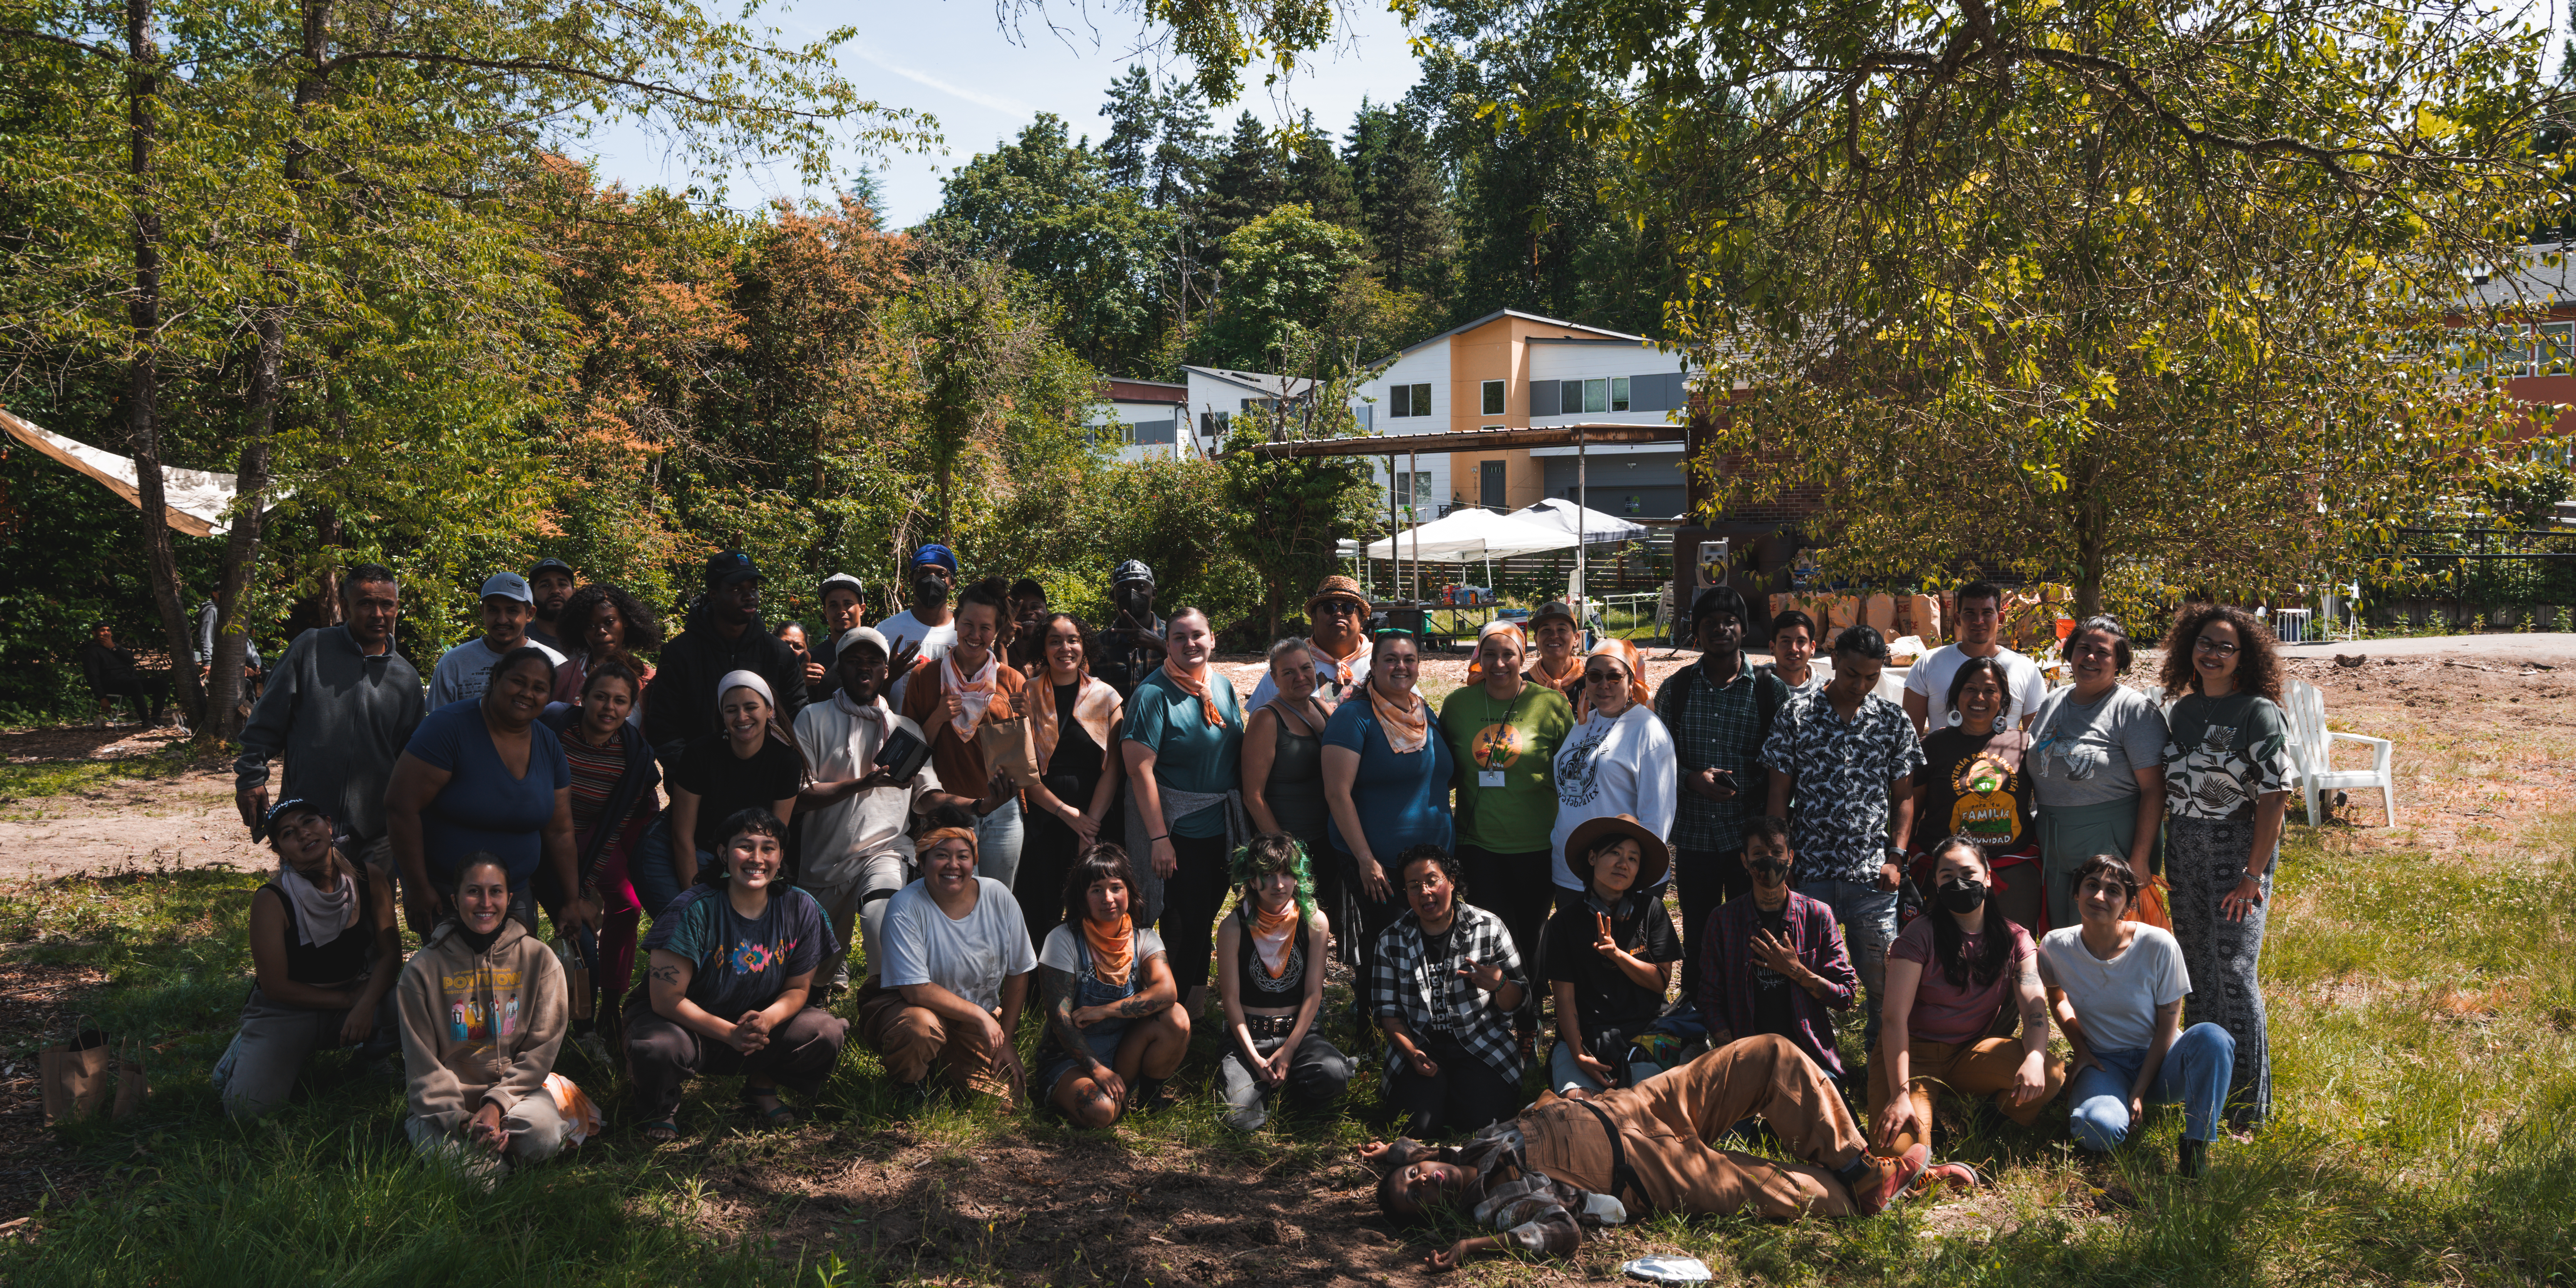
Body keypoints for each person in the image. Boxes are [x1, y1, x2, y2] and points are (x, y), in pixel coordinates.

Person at [1363, 1035, 1934, 1268]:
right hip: (1646, 1172)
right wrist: (1475, 1246)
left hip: (1636, 1105)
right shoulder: (1496, 1204)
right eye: (1417, 1197)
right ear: (1436, 1215)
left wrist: (1392, 1152)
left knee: (1768, 1054)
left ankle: (1863, 1169)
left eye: (1413, 1175)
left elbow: (1422, 1150)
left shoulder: (1472, 1147)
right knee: (1789, 1192)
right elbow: (1561, 1233)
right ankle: (1872, 1188)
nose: (1421, 1180)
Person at [625, 808, 849, 1137]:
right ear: (723, 853)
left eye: (769, 848)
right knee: (657, 1048)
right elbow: (665, 1000)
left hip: (756, 1026)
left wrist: (767, 1020)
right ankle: (661, 1106)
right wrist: (729, 1033)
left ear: (781, 856)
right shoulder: (691, 910)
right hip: (687, 1026)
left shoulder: (801, 908)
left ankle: (762, 1086)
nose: (757, 858)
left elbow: (799, 989)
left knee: (825, 1032)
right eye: (745, 846)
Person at [2155, 603, 2293, 1129]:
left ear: (2244, 657)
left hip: (2237, 855)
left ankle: (2246, 1108)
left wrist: (2252, 875)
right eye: (2205, 644)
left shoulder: (2258, 712)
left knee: (2235, 972)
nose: (2212, 654)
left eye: (2225, 647)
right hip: (2186, 849)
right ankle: (2202, 1091)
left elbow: (2275, 798)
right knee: (2197, 973)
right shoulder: (2183, 712)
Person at [795, 627, 990, 994]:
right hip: (825, 863)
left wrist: (981, 804)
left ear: (887, 671)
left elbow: (929, 798)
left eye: (873, 662)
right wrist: (863, 783)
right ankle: (817, 1000)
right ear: (840, 668)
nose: (864, 669)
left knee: (880, 918)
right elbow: (800, 797)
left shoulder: (907, 730)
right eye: (854, 661)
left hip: (884, 851)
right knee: (812, 976)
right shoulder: (812, 719)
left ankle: (890, 1009)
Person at [1759, 624, 1922, 1053]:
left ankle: (1882, 1059)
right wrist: (1780, 863)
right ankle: (1816, 1059)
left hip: (1873, 876)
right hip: (1810, 872)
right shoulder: (1795, 715)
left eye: (1871, 677)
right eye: (1852, 674)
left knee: (1883, 978)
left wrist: (1897, 857)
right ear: (1832, 660)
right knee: (1805, 974)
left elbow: (1903, 798)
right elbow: (1778, 794)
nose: (1861, 685)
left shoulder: (1891, 720)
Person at [1869, 835, 2065, 1161]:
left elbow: (2034, 1006)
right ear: (1936, 883)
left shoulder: (2016, 938)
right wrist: (1899, 1094)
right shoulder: (1919, 934)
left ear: (1988, 877)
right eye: (1947, 876)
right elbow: (1893, 1020)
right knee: (1899, 1155)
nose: (1959, 883)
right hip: (1911, 1054)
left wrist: (2034, 1058)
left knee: (2051, 1072)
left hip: (1970, 1052)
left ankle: (1985, 1118)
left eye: (1969, 874)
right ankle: (1928, 1120)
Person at [2041, 855, 2236, 1177]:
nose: (2100, 897)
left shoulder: (2158, 945)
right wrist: (2082, 1051)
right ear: (2076, 893)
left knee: (2213, 1039)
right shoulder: (2056, 946)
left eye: (2113, 891)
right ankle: (2105, 1101)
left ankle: (2195, 1145)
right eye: (2091, 886)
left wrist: (2140, 1091)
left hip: (2163, 1063)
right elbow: (2056, 995)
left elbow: (2167, 1025)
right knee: (2096, 1130)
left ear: (2128, 905)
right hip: (2105, 1063)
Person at [392, 853, 578, 1178]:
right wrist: (462, 1121)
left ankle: (503, 1145)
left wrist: (495, 1106)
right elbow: (422, 1067)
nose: (485, 903)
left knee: (542, 1140)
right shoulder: (422, 970)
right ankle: (485, 1157)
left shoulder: (539, 960)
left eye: (496, 892)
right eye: (473, 891)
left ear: (510, 898)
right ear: (455, 899)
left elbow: (540, 1049)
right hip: (443, 1106)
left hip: (518, 1095)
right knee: (477, 1180)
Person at [385, 646, 590, 941]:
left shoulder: (548, 744)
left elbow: (560, 830)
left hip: (515, 892)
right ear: (496, 679)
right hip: (448, 892)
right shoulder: (448, 728)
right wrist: (417, 887)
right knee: (455, 982)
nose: (527, 693)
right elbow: (400, 808)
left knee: (512, 981)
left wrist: (571, 900)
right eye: (518, 681)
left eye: (539, 688)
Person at [215, 798, 402, 1118]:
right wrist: (350, 1002)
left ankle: (370, 1058)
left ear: (329, 826)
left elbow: (391, 955)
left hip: (353, 1000)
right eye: (288, 833)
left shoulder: (368, 877)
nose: (302, 834)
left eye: (308, 822)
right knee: (247, 1112)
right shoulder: (272, 900)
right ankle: (244, 1050)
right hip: (287, 1012)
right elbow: (276, 987)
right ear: (280, 852)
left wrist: (366, 1004)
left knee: (417, 998)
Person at [236, 566, 423, 880]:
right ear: (347, 605)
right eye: (365, 603)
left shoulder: (406, 678)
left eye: (387, 604)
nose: (378, 614)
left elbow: (412, 761)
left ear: (397, 607)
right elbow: (267, 720)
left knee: (374, 921)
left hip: (376, 833)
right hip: (307, 825)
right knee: (309, 917)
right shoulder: (310, 649)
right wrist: (250, 777)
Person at [1656, 586, 1791, 1000]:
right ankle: (1697, 1005)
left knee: (1753, 927)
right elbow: (1657, 760)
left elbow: (1784, 766)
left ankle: (1752, 1005)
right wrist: (1692, 779)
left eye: (1729, 621)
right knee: (1697, 928)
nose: (1720, 628)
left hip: (1747, 839)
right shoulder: (1676, 689)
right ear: (1697, 632)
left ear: (1743, 628)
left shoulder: (1769, 690)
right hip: (1695, 836)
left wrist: (1774, 836)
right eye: (1709, 622)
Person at [853, 824, 1038, 1110]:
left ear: (975, 861)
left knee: (1005, 1106)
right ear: (922, 861)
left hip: (971, 1020)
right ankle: (909, 1085)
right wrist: (981, 1016)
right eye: (941, 855)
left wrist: (1008, 1040)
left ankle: (943, 1071)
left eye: (963, 856)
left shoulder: (998, 896)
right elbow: (915, 990)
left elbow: (1018, 972)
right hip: (908, 1007)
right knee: (921, 1028)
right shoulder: (905, 906)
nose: (953, 865)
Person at [1120, 606, 1246, 1015]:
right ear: (1167, 644)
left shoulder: (1222, 686)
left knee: (1204, 919)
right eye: (1179, 637)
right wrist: (1159, 837)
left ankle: (1192, 1005)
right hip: (1177, 829)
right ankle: (1167, 1013)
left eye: (1197, 635)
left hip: (1220, 825)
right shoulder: (1152, 695)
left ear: (1213, 639)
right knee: (1183, 922)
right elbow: (1140, 771)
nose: (1190, 644)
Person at [1440, 620, 1574, 994]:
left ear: (1523, 657)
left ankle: (1527, 1014)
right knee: (1494, 934)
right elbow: (1443, 769)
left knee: (1530, 932)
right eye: (1490, 654)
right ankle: (1502, 1012)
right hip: (1478, 842)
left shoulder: (1550, 704)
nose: (1498, 663)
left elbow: (1571, 773)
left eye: (1508, 654)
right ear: (1478, 658)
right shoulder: (1457, 704)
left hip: (1538, 842)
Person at [1323, 629, 1456, 978]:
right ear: (1375, 665)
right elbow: (1337, 793)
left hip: (1431, 861)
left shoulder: (1424, 713)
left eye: (1409, 659)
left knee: (1427, 949)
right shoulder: (1354, 718)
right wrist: (1366, 860)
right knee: (1387, 949)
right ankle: (1374, 1027)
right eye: (1391, 659)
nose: (1401, 666)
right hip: (1379, 866)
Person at [537, 660, 660, 1030]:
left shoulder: (634, 753)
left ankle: (607, 1004)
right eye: (601, 697)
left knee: (625, 904)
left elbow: (617, 824)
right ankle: (549, 1015)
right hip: (536, 835)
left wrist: (584, 886)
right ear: (583, 697)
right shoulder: (554, 727)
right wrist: (572, 898)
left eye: (621, 701)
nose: (609, 708)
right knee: (571, 926)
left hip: (589, 839)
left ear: (631, 708)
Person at [1371, 845, 1527, 1136]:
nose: (1425, 893)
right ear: (1405, 893)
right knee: (1415, 1126)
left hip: (1482, 1045)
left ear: (1452, 881)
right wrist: (1412, 1052)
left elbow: (1519, 1001)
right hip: (1421, 1045)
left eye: (1433, 881)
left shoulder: (1489, 928)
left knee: (1480, 1122)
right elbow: (1387, 1013)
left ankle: (1462, 1091)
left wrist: (1500, 984)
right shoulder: (1391, 940)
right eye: (1414, 886)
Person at [2027, 616, 2167, 931]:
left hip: (2110, 841)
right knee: (2061, 940)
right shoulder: (2053, 701)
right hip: (2053, 841)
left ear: (2119, 662)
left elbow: (2155, 790)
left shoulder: (2133, 710)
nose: (2091, 657)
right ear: (2070, 653)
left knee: (2107, 941)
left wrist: (2140, 860)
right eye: (2083, 648)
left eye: (2103, 652)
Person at [1036, 844, 1191, 1126]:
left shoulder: (1145, 938)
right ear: (1083, 898)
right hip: (1070, 1058)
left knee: (1177, 1018)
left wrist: (1104, 1011)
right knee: (1102, 1112)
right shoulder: (1062, 940)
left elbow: (1167, 992)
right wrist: (1096, 1068)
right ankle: (1074, 1099)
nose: (1108, 898)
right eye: (1096, 889)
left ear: (1129, 891)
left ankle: (1148, 1101)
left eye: (1116, 887)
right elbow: (1060, 1021)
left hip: (1123, 1053)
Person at [1696, 816, 1858, 1085]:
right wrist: (1731, 1054)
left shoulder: (1817, 916)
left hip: (1811, 1061)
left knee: (1832, 1124)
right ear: (1745, 862)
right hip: (1747, 1062)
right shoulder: (1724, 921)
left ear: (1791, 857)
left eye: (1777, 853)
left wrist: (1796, 971)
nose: (1769, 861)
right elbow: (1710, 998)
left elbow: (1845, 997)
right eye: (1759, 854)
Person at [638, 671, 806, 920]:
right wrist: (695, 902)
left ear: (769, 710)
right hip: (678, 847)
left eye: (751, 707)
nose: (741, 717)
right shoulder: (700, 753)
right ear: (722, 715)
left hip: (736, 854)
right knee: (686, 929)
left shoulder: (787, 761)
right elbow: (681, 834)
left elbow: (773, 838)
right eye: (731, 710)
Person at [1214, 834, 1352, 1132]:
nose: (1279, 884)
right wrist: (1254, 1056)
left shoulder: (1314, 921)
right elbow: (1231, 1000)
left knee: (1335, 1075)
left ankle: (1288, 1082)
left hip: (1299, 1033)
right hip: (1249, 1036)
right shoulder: (1232, 927)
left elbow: (1314, 994)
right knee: (1242, 1122)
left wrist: (1289, 1051)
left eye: (1288, 874)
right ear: (1252, 880)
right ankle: (1259, 1082)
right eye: (1268, 875)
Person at [899, 581, 1028, 889]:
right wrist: (939, 718)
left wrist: (1027, 718)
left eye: (985, 628)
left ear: (996, 631)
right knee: (949, 906)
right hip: (947, 809)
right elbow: (906, 756)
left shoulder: (1011, 680)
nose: (975, 635)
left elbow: (1027, 762)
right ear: (956, 622)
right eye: (968, 624)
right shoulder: (925, 677)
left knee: (996, 902)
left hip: (1002, 811)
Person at [1544, 814, 1684, 1097]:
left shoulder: (1652, 910)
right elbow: (1565, 1000)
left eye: (1633, 859)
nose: (1624, 864)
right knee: (1579, 1106)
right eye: (1615, 853)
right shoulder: (1564, 923)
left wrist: (1618, 955)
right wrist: (1579, 1055)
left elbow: (1660, 982)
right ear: (1593, 858)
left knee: (1647, 1105)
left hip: (1647, 1033)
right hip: (1587, 1035)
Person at [1014, 613, 1126, 951]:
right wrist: (1067, 814)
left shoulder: (1107, 697)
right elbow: (1023, 769)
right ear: (1043, 648)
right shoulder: (1027, 694)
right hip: (1043, 815)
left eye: (1073, 639)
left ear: (1085, 645)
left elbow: (1113, 770)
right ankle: (1037, 993)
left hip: (1097, 815)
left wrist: (1088, 828)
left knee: (1093, 906)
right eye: (1055, 641)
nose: (1066, 648)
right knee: (1039, 907)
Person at [643, 551, 809, 766]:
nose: (749, 596)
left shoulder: (779, 653)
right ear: (713, 595)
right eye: (737, 589)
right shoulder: (679, 652)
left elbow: (798, 720)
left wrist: (775, 769)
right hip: (697, 785)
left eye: (754, 589)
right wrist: (694, 775)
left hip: (763, 780)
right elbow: (663, 727)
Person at [1910, 656, 2040, 931]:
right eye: (1970, 689)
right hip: (1947, 873)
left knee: (2012, 954)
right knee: (1946, 955)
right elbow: (1912, 807)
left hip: (2012, 871)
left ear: (2003, 700)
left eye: (1991, 690)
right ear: (1956, 696)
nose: (1979, 697)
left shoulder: (2024, 745)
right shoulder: (1934, 745)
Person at [1548, 638, 1677, 904]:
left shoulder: (1647, 730)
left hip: (1621, 880)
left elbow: (1658, 816)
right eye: (1595, 676)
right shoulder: (1586, 720)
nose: (1603, 685)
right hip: (1571, 869)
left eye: (1614, 677)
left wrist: (1633, 878)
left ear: (1631, 681)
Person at [1241, 639, 1341, 954]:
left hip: (1327, 838)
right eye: (1288, 672)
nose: (1300, 677)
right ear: (1274, 679)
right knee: (1290, 927)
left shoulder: (1320, 707)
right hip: (1289, 845)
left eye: (1306, 668)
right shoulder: (1267, 718)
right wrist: (1283, 851)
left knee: (1323, 922)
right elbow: (1253, 795)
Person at [1901, 582, 2048, 737]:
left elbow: (2036, 740)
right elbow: (1909, 739)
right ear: (1958, 619)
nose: (1979, 621)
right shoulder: (1928, 663)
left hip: (2001, 761)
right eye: (1970, 613)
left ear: (2001, 618)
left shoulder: (2025, 669)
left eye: (1987, 612)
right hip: (1942, 761)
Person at [426, 574, 566, 708]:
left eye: (512, 611)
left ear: (530, 614)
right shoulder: (454, 663)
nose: (502, 620)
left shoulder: (555, 664)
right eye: (493, 610)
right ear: (482, 612)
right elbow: (438, 721)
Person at [1246, 575, 1375, 711]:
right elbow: (1260, 722)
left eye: (1348, 608)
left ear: (1362, 622)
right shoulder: (1286, 667)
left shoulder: (1381, 663)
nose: (1338, 613)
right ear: (1313, 620)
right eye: (1328, 608)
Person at [548, 581, 662, 712]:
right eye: (590, 626)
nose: (601, 631)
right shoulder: (562, 677)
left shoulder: (648, 680)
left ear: (625, 620)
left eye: (609, 622)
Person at [878, 545, 959, 709]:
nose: (932, 579)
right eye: (923, 572)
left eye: (941, 575)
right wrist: (890, 677)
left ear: (953, 583)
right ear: (911, 579)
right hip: (897, 733)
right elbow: (868, 696)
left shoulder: (967, 632)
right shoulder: (885, 631)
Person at [1094, 559, 1167, 697]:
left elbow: (1192, 679)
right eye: (1123, 589)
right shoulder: (1098, 644)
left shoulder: (1174, 636)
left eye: (1140, 587)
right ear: (1112, 596)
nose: (1132, 594)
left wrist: (1161, 645)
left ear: (1154, 594)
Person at [76, 623, 169, 726]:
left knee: (162, 683)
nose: (106, 633)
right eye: (102, 630)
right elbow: (92, 676)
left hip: (129, 681)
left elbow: (131, 659)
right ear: (94, 633)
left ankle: (156, 717)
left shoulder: (114, 647)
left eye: (108, 630)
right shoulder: (92, 651)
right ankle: (146, 720)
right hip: (111, 685)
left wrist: (114, 647)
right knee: (135, 684)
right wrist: (102, 698)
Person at [808, 573, 867, 701]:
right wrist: (799, 682)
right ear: (825, 612)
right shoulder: (810, 661)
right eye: (833, 605)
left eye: (848, 603)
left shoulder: (878, 654)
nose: (841, 610)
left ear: (862, 609)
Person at [1523, 601, 1585, 701]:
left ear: (1576, 639)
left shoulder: (1593, 684)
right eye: (1546, 630)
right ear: (1536, 640)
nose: (1554, 636)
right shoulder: (1522, 686)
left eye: (1562, 629)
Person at [1758, 609, 1823, 695]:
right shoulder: (1754, 688)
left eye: (1801, 641)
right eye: (1786, 641)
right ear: (1772, 648)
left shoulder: (1824, 692)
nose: (1794, 649)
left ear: (1812, 648)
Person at [523, 557, 578, 651]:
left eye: (562, 584)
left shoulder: (590, 636)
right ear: (531, 594)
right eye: (545, 585)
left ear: (575, 593)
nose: (555, 591)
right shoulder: (518, 637)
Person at [1004, 577, 1050, 671]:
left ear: (1047, 615)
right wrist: (1001, 643)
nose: (1028, 612)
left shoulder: (1062, 658)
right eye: (1020, 608)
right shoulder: (994, 660)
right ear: (1008, 616)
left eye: (1035, 607)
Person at [778, 621, 819, 693]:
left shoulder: (817, 680)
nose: (791, 650)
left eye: (798, 647)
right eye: (784, 645)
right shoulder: (761, 676)